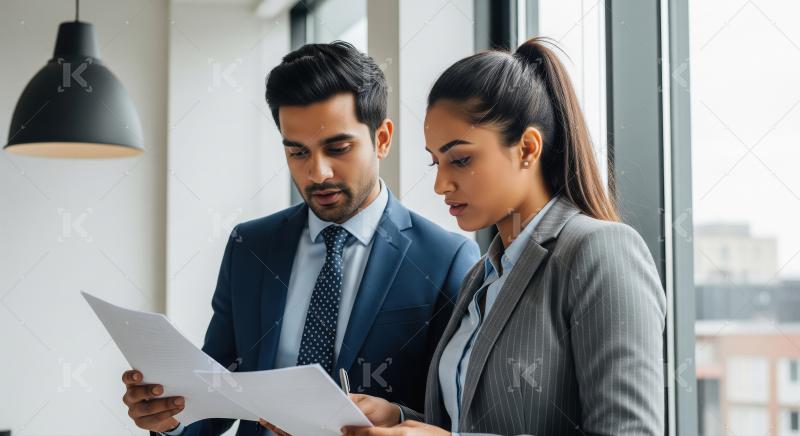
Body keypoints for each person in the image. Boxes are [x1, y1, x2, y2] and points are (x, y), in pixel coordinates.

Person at [119, 41, 480, 436]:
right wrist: (170, 416)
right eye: (297, 153)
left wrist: (394, 414)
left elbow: (456, 415)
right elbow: (218, 390)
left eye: (338, 148)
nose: (318, 173)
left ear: (382, 139)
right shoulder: (250, 246)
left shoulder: (445, 258)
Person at [342, 37, 667, 436]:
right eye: (436, 162)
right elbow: (472, 424)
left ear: (527, 148)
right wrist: (398, 418)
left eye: (460, 159)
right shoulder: (483, 275)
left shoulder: (600, 251)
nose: (441, 184)